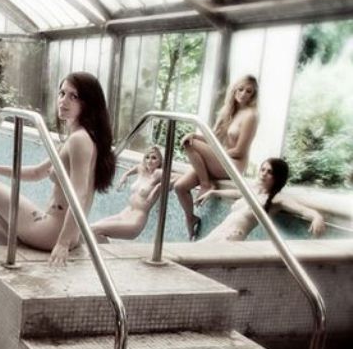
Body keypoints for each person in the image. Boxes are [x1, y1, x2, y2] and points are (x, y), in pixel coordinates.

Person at [0, 71, 115, 265]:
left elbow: (80, 194)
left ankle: (20, 245)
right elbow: (36, 173)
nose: (63, 101)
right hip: (60, 229)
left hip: (54, 231)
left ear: (88, 103)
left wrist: (63, 243)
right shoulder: (76, 138)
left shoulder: (80, 140)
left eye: (73, 96)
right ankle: (21, 243)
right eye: (62, 93)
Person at [174, 75, 259, 240]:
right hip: (220, 160)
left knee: (191, 145)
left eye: (248, 91)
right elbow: (213, 139)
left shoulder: (250, 115)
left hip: (233, 164)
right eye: (241, 89)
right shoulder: (228, 111)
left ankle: (206, 184)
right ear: (234, 90)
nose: (243, 94)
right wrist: (195, 135)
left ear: (253, 95)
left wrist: (211, 151)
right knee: (180, 187)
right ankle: (190, 218)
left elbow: (239, 151)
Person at [197, 158, 326, 241]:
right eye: (262, 169)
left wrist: (317, 217)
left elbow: (302, 210)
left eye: (269, 172)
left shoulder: (277, 199)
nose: (264, 173)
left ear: (277, 177)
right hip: (218, 232)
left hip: (232, 237)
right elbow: (236, 193)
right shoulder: (251, 191)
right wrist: (213, 192)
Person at [91, 146, 164, 242]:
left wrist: (159, 187)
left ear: (160, 161)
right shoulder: (141, 169)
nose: (149, 161)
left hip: (135, 221)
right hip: (124, 214)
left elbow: (175, 178)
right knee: (90, 229)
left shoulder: (160, 176)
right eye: (147, 157)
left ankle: (104, 250)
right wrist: (124, 176)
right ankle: (107, 249)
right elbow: (131, 171)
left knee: (93, 231)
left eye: (154, 158)